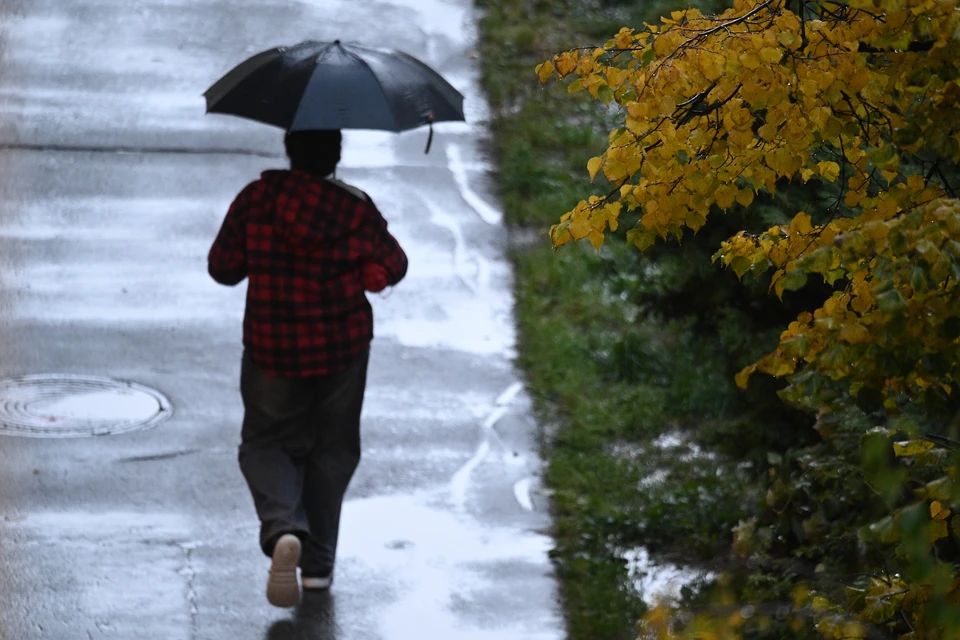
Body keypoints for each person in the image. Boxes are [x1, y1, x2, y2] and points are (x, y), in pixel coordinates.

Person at [207, 129, 407, 608]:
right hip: (341, 350)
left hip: (271, 348)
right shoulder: (354, 208)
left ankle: (282, 529)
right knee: (332, 450)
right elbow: (394, 264)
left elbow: (223, 268)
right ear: (335, 155)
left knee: (265, 442)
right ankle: (317, 567)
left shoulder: (257, 200)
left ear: (289, 149)